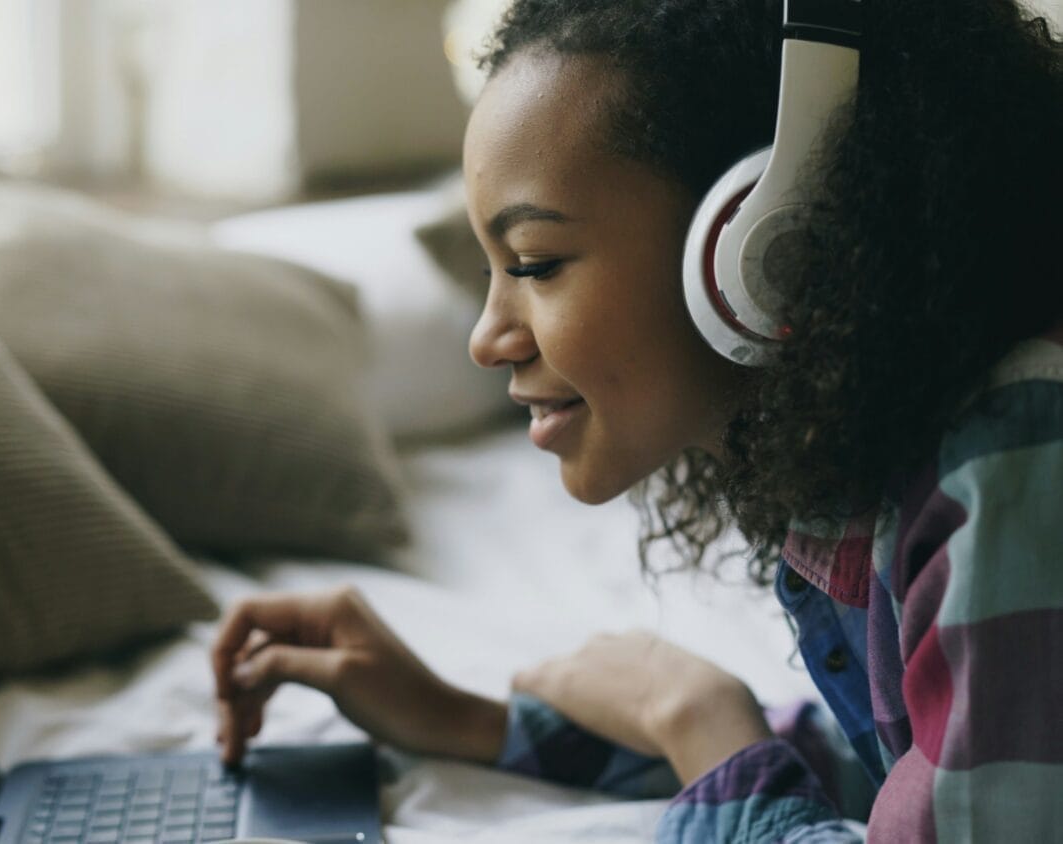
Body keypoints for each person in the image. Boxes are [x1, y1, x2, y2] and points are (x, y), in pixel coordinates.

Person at [210, 0, 1063, 839]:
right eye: (490, 273)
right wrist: (465, 719)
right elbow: (907, 760)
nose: (485, 338)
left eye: (536, 264)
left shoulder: (1009, 453)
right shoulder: (882, 465)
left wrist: (701, 724)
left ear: (765, 239)